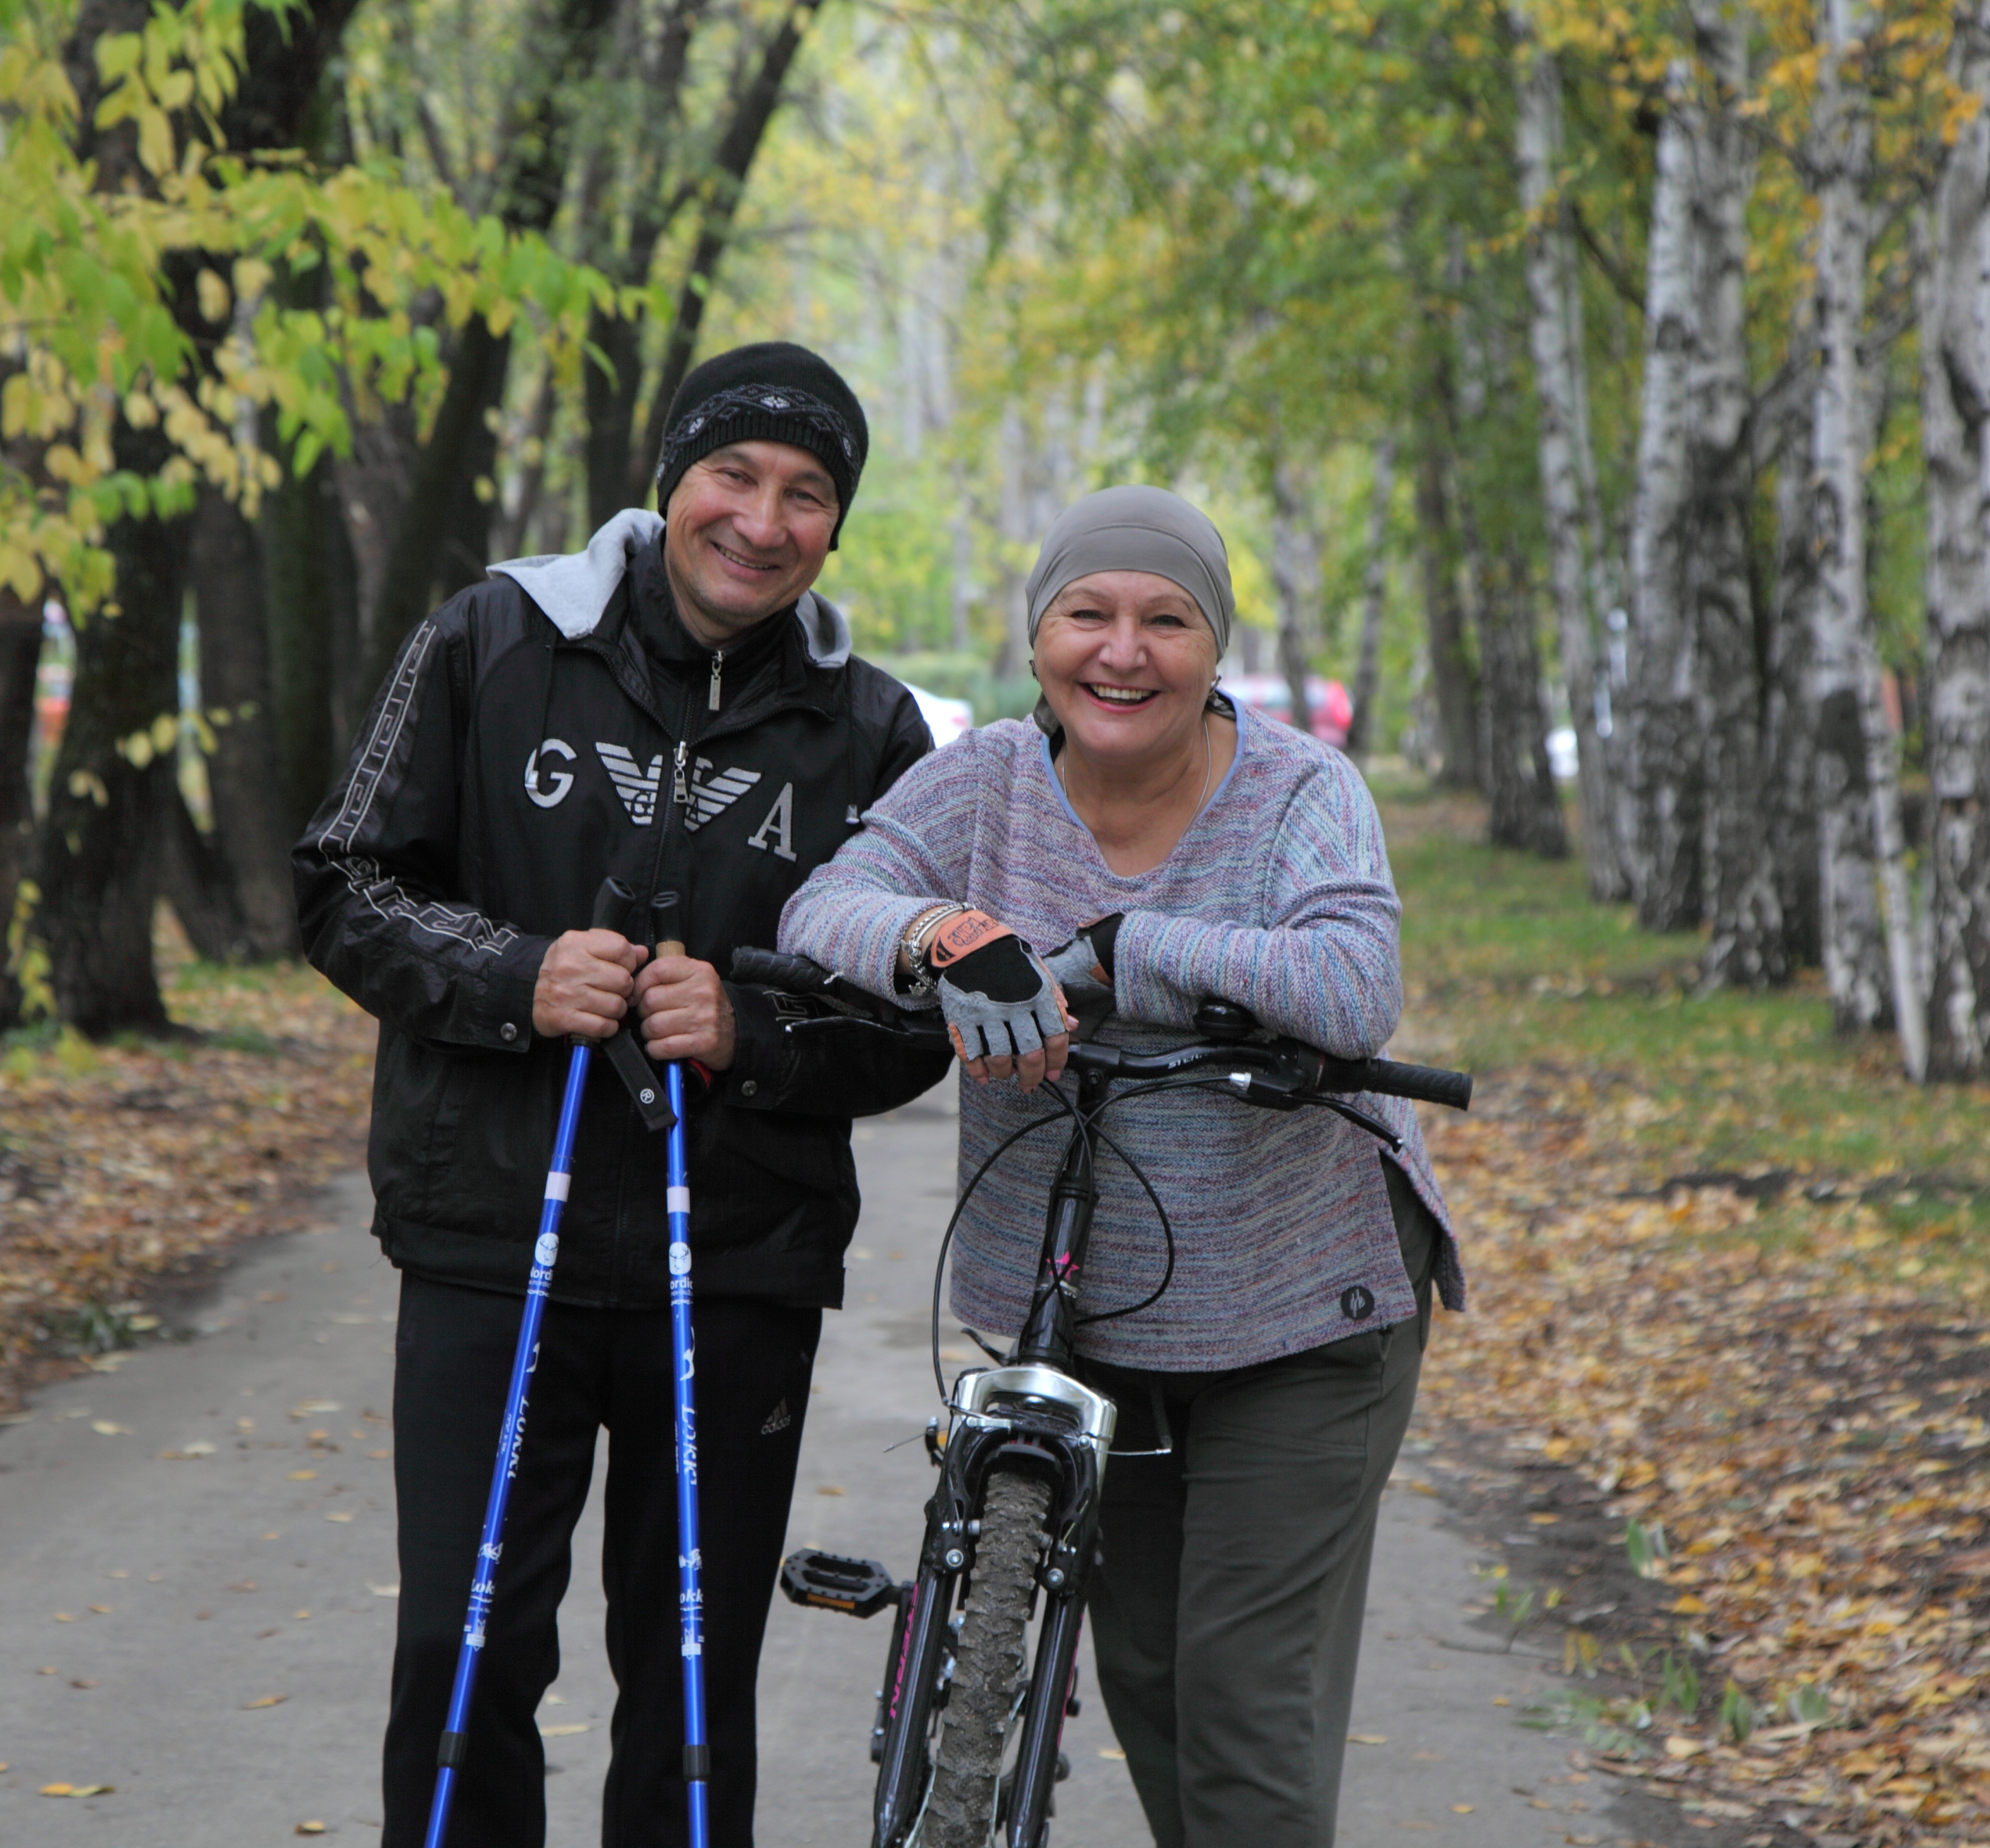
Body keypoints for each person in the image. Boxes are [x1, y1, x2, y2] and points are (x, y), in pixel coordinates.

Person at [293, 342, 949, 1848]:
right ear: (669, 486)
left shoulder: (872, 729)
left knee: (692, 1685)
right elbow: (341, 879)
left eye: (804, 493)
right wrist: (514, 976)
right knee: (464, 1661)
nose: (762, 520)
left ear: (834, 526)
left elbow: (913, 1024)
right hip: (486, 1240)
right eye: (732, 476)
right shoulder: (496, 637)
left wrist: (750, 1029)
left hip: (735, 1267)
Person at [775, 484, 1462, 1848]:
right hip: (1094, 1305)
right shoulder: (980, 786)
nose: (1122, 651)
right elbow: (822, 907)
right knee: (1145, 1673)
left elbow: (1353, 980)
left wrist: (1125, 946)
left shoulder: (1297, 791)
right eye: (1087, 614)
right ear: (1040, 637)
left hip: (1304, 1304)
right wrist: (943, 937)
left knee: (1243, 1696)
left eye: (1167, 619)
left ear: (1214, 652)